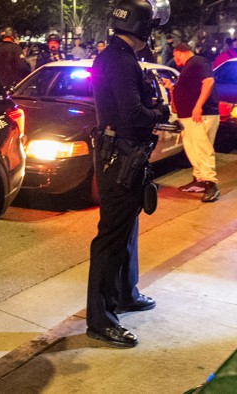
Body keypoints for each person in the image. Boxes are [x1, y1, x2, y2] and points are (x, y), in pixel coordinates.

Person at [87, 0, 170, 348]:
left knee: (126, 232)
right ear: (143, 28)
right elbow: (133, 114)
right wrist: (162, 110)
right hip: (119, 158)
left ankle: (125, 294)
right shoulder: (120, 61)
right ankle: (101, 319)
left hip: (124, 157)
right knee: (111, 238)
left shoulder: (116, 56)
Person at [162, 43, 220, 202]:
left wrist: (198, 106)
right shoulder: (191, 66)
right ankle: (200, 180)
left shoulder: (197, 62)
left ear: (179, 52)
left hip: (201, 115)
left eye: (175, 56)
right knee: (193, 149)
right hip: (189, 115)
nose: (175, 60)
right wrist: (172, 86)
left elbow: (208, 82)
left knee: (202, 149)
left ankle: (211, 184)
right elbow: (189, 88)